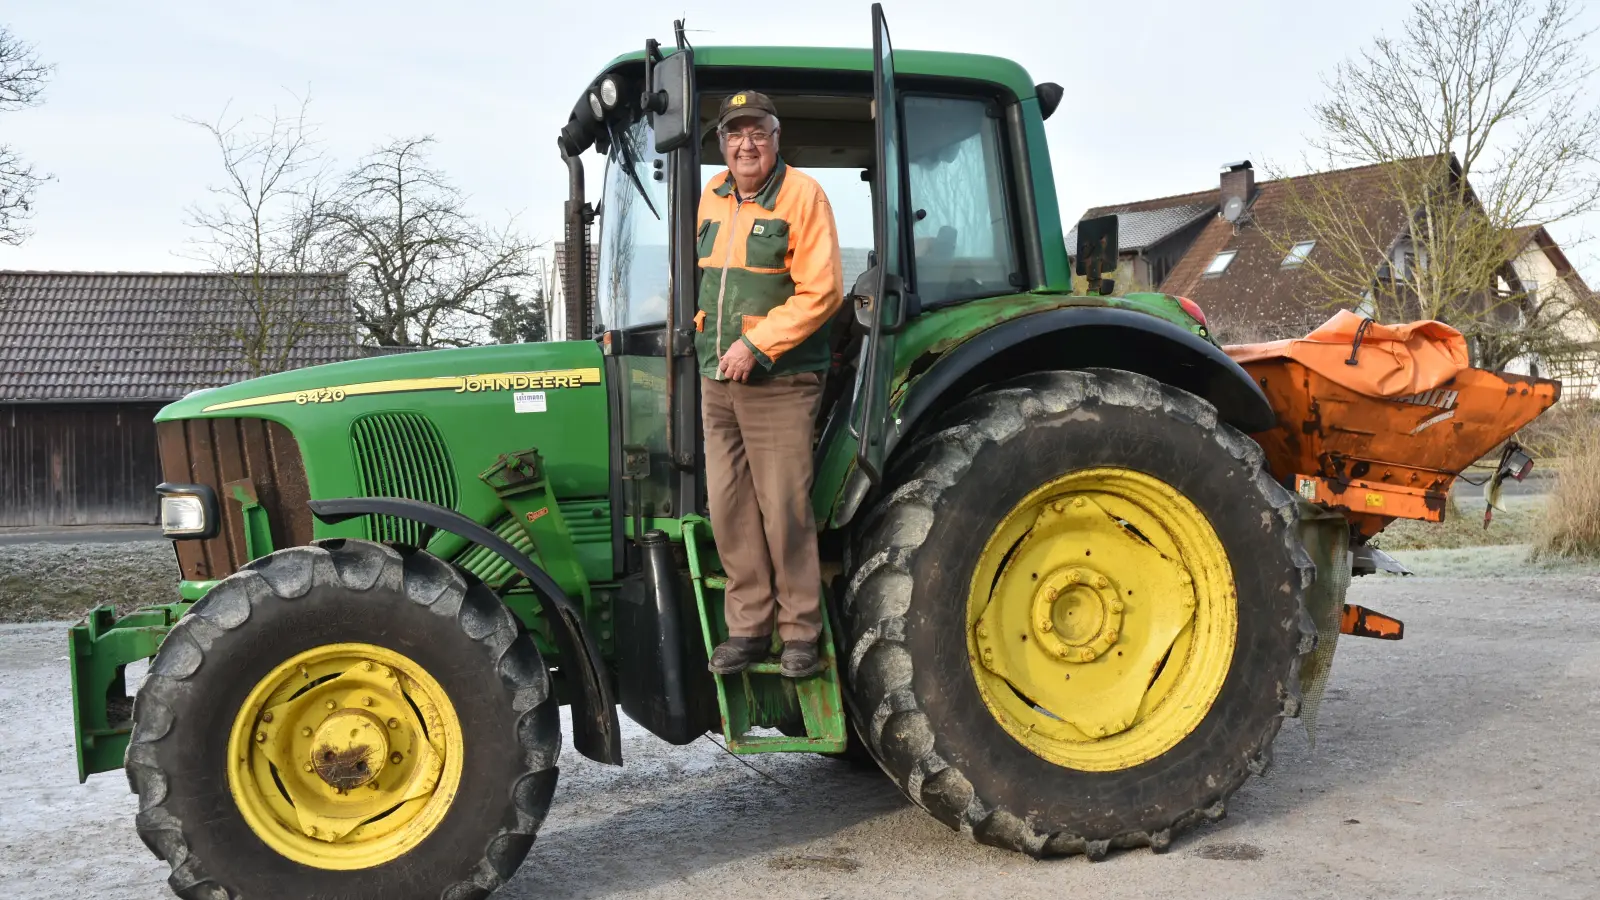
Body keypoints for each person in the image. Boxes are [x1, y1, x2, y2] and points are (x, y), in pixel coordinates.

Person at [695, 90, 843, 679]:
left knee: (783, 508)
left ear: (776, 138)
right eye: (734, 135)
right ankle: (749, 629)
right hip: (715, 378)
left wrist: (757, 345)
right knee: (729, 508)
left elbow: (823, 291)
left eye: (757, 132)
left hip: (778, 379)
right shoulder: (711, 195)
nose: (745, 144)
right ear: (723, 144)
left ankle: (800, 631)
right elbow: (708, 280)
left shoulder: (803, 195)